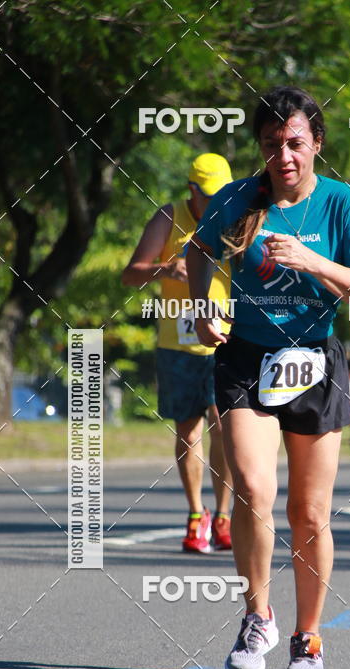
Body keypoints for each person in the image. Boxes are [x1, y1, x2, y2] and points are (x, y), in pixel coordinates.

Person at [187, 87, 350, 669]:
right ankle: (258, 618)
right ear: (261, 147)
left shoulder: (344, 205)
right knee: (253, 488)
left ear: (316, 144)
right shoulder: (238, 199)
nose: (284, 156)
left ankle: (308, 637)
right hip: (245, 358)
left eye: (295, 143)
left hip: (314, 361)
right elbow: (199, 251)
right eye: (272, 144)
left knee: (309, 511)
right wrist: (203, 305)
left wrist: (312, 262)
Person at [122, 153, 233, 553]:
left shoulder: (236, 218)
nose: (216, 202)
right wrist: (165, 269)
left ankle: (224, 517)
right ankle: (196, 514)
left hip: (224, 338)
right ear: (192, 189)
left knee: (223, 427)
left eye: (222, 195)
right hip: (179, 343)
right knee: (188, 432)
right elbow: (130, 273)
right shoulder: (169, 218)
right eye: (208, 195)